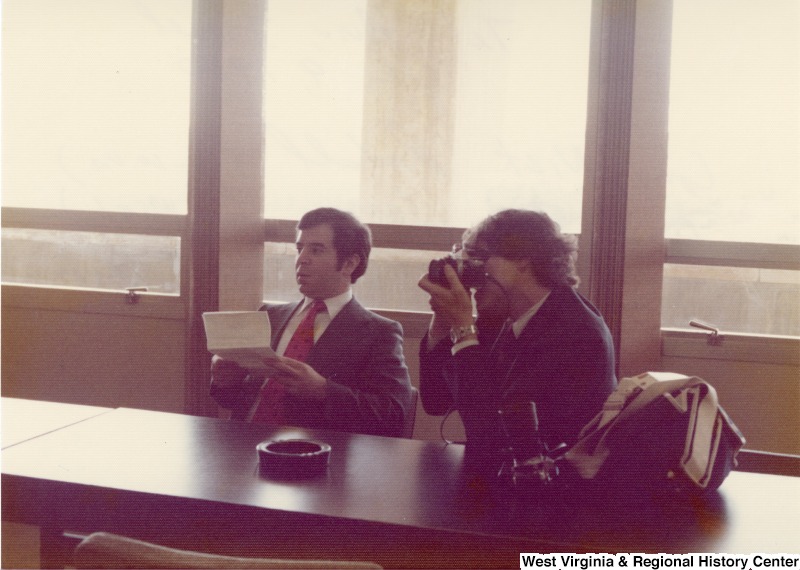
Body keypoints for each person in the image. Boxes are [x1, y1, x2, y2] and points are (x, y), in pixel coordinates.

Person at [417, 209, 616, 466]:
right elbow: (436, 401)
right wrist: (444, 320)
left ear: (524, 259)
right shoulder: (502, 316)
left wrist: (464, 328)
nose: (472, 272)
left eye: (480, 258)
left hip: (554, 492)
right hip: (510, 478)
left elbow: (496, 438)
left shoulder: (575, 333)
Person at [211, 207, 413, 437]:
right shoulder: (270, 315)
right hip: (244, 445)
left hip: (313, 458)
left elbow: (393, 417)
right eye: (299, 248)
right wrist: (225, 382)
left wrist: (324, 391)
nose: (301, 259)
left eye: (316, 250)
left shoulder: (379, 333)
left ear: (349, 264)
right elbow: (234, 401)